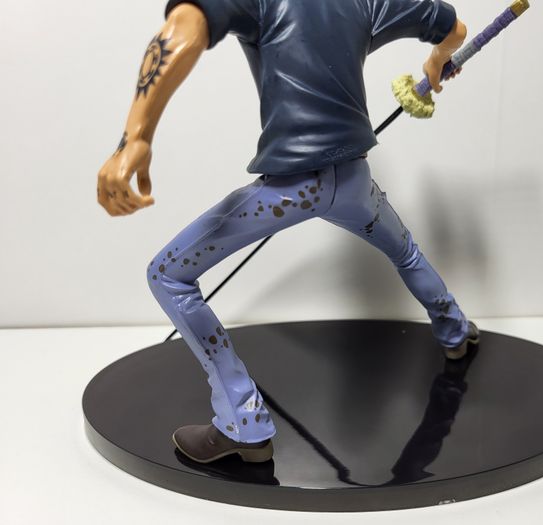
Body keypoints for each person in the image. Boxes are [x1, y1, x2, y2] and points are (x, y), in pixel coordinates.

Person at [96, 0, 478, 464]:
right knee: (406, 253)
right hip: (353, 183)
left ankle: (243, 424)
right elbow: (456, 30)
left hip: (293, 189)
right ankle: (455, 331)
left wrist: (135, 136)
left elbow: (186, 27)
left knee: (167, 275)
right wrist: (438, 60)